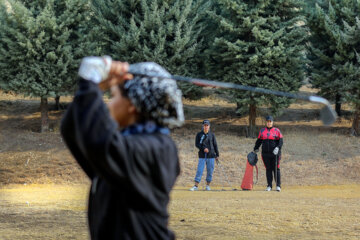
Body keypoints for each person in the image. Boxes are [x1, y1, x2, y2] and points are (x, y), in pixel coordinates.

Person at [60, 56, 184, 240]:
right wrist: (96, 87)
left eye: (114, 96)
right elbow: (73, 132)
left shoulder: (159, 149)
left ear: (132, 105)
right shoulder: (127, 148)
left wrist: (90, 82)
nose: (109, 104)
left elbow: (98, 141)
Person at [253, 115, 283, 192]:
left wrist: (278, 148)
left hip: (275, 153)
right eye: (268, 122)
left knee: (276, 169)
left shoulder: (277, 130)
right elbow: (259, 141)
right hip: (265, 154)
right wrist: (256, 148)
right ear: (266, 122)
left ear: (272, 122)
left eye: (270, 121)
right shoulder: (262, 131)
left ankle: (278, 185)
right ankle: (269, 185)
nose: (269, 123)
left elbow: (280, 141)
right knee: (268, 169)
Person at [190, 120, 219, 191]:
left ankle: (207, 185)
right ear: (202, 126)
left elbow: (215, 145)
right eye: (204, 125)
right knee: (200, 170)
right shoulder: (199, 134)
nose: (206, 127)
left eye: (207, 125)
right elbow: (197, 144)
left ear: (209, 126)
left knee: (210, 171)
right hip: (202, 155)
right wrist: (203, 149)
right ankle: (196, 186)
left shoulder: (212, 135)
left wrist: (217, 154)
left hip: (211, 155)